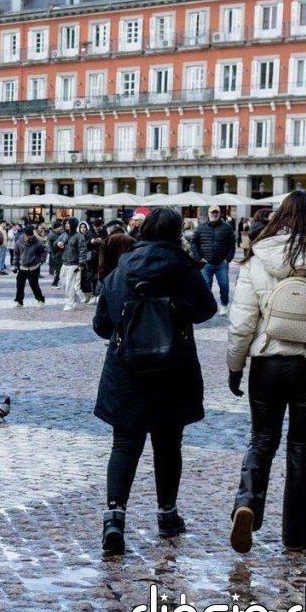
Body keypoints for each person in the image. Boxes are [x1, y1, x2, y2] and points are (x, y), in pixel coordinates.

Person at [226, 191, 306, 554]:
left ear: (279, 216)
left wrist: (235, 367)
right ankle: (296, 532)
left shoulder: (258, 260)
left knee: (262, 439)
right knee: (301, 446)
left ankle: (247, 501)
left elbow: (241, 323)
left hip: (267, 363)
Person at [92, 207, 218, 555]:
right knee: (168, 443)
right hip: (172, 368)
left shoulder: (121, 269)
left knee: (124, 444)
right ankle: (167, 514)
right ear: (177, 232)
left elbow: (101, 325)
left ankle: (114, 518)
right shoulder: (184, 268)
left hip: (126, 368)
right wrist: (175, 309)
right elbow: (208, 310)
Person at [191, 205, 236, 316]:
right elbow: (194, 242)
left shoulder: (227, 227)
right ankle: (207, 307)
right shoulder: (201, 227)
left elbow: (232, 243)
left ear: (219, 213)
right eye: (212, 212)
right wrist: (198, 258)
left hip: (222, 263)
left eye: (216, 212)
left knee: (224, 285)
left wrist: (228, 258)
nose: (214, 214)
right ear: (209, 213)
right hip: (206, 263)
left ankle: (224, 305)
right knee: (206, 287)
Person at [12, 226, 47, 307]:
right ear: (25, 235)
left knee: (34, 285)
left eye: (32, 237)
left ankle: (40, 300)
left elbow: (44, 251)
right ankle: (19, 301)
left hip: (34, 267)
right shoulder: (19, 242)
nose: (31, 238)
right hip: (23, 267)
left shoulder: (37, 242)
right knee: (20, 285)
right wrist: (15, 265)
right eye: (29, 237)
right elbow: (16, 255)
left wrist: (41, 261)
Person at [61, 218, 88, 311]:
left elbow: (82, 250)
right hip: (64, 262)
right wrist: (57, 244)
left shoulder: (79, 236)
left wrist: (81, 263)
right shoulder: (64, 235)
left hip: (73, 263)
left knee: (70, 284)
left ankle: (70, 303)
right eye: (66, 223)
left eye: (69, 223)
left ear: (73, 224)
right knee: (64, 283)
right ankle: (76, 299)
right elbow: (56, 243)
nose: (66, 225)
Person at [47, 221, 64, 287]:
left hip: (58, 255)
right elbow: (51, 248)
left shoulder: (57, 234)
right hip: (56, 256)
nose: (61, 229)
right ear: (56, 228)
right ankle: (54, 283)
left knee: (59, 270)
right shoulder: (52, 235)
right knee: (58, 270)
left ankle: (55, 283)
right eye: (60, 227)